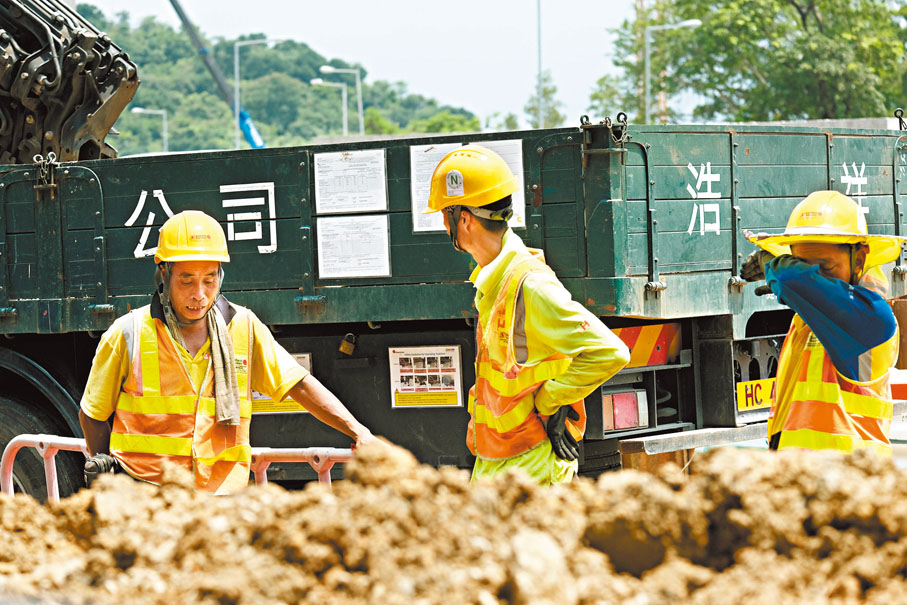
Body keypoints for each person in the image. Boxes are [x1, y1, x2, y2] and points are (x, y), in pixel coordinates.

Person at [79, 210, 379, 494]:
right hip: (146, 496)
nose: (199, 294)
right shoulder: (128, 333)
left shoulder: (243, 327)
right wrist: (114, 480)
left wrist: (358, 432)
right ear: (163, 272)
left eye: (209, 280)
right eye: (187, 280)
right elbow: (92, 415)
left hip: (221, 499)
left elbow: (298, 384)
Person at [424, 144, 630, 484]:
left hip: (531, 467)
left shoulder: (530, 285)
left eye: (446, 215)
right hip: (499, 462)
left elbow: (611, 351)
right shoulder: (496, 279)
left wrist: (551, 399)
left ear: (463, 219)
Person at [742, 190, 904, 454]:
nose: (812, 278)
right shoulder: (808, 320)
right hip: (806, 479)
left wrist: (770, 264)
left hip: (850, 481)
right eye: (803, 264)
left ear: (859, 259)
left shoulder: (872, 319)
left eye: (824, 267)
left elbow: (791, 279)